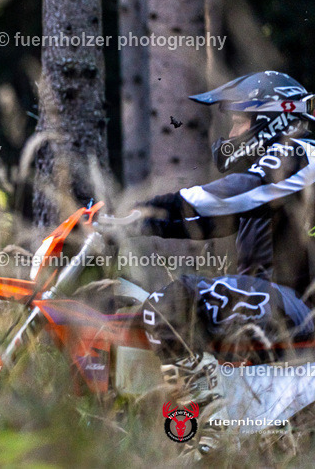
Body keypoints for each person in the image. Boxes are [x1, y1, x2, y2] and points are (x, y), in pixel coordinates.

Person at [127, 71, 315, 411]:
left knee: (175, 298)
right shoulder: (275, 184)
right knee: (126, 311)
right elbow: (210, 219)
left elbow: (233, 193)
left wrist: (143, 206)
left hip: (298, 310)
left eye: (239, 122)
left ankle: (196, 406)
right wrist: (133, 224)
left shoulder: (300, 152)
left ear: (270, 120)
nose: (230, 134)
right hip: (284, 309)